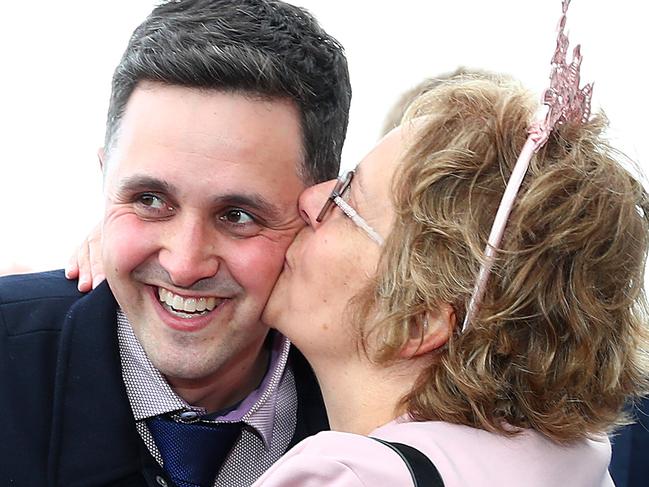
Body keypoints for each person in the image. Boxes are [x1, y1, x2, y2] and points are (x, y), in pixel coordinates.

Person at [0, 0, 351, 486]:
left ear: (318, 213)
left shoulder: (385, 415)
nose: (184, 264)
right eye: (149, 200)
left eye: (237, 216)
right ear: (105, 182)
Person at [248, 72, 649, 486]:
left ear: (419, 321)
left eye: (347, 202)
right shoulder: (581, 465)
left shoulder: (347, 477)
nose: (310, 200)